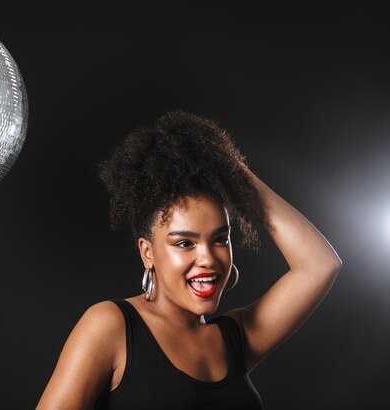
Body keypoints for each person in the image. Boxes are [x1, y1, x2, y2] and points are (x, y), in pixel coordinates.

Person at [36, 111, 341, 409]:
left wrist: (235, 174)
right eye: (185, 243)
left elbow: (319, 264)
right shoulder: (111, 326)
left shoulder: (236, 338)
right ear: (147, 253)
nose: (207, 258)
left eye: (220, 239)